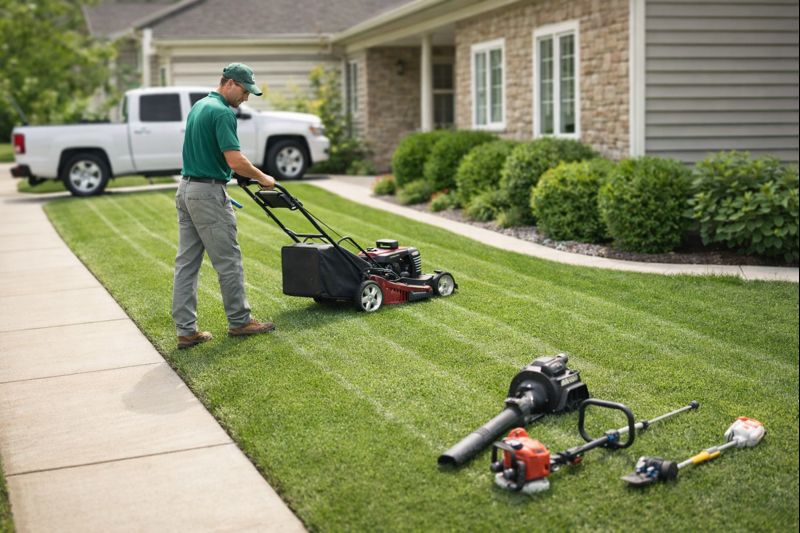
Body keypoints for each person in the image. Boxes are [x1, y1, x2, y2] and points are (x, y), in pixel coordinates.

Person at [173, 63, 276, 349]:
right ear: (229, 83)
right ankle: (240, 321)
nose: (246, 97)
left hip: (186, 189)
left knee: (186, 264)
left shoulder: (200, 106)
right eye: (244, 91)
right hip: (206, 194)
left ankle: (186, 331)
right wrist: (262, 177)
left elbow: (210, 152)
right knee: (228, 261)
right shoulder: (221, 112)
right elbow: (235, 160)